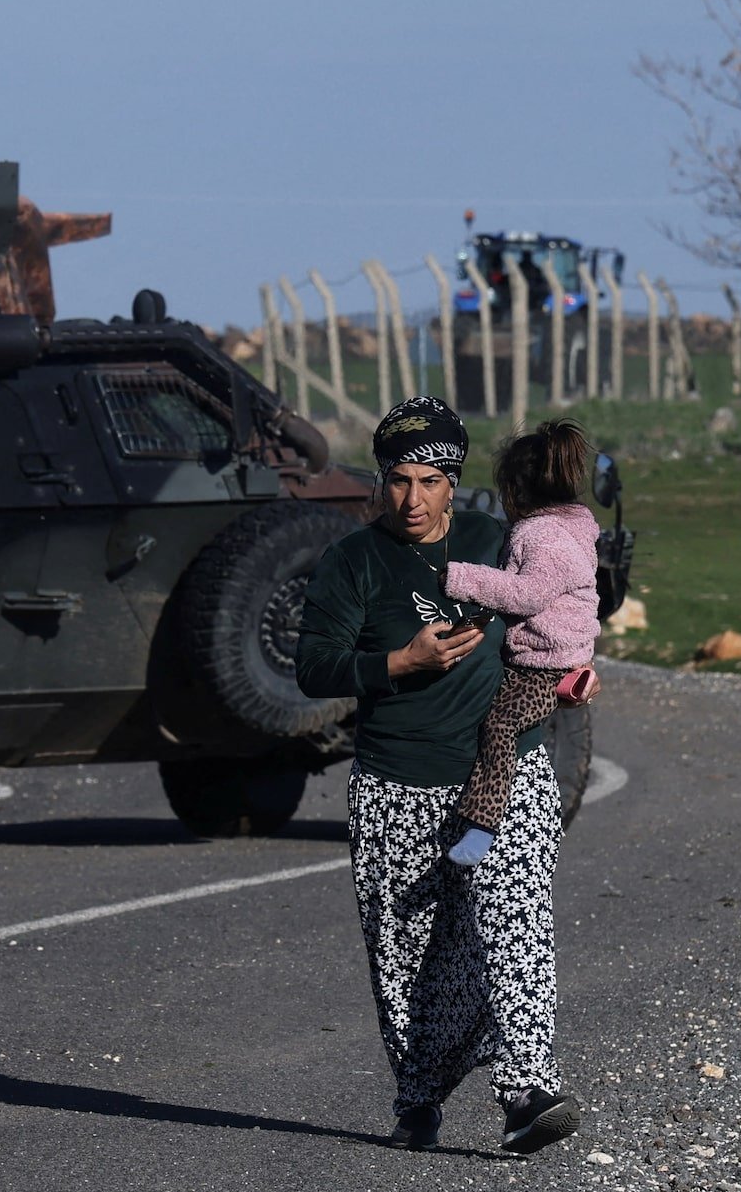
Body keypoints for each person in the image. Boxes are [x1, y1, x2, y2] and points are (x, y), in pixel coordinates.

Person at [295, 396, 579, 1156]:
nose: (412, 498)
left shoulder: (498, 542)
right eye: (397, 481)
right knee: (413, 956)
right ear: (380, 482)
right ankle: (419, 1096)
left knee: (515, 921)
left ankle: (529, 1090)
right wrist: (399, 661)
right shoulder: (354, 562)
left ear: (454, 481)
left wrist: (577, 670)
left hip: (505, 770)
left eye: (428, 480)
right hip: (397, 784)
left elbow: (556, 616)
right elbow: (313, 665)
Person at [443, 419, 601, 867]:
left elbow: (526, 593)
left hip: (546, 663)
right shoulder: (571, 527)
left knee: (500, 725)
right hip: (550, 653)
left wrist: (460, 578)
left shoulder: (542, 535)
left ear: (516, 489)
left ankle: (482, 825)